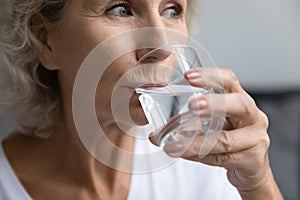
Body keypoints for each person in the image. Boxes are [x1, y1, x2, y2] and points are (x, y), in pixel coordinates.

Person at [0, 0, 283, 199]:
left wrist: (258, 185)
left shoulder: (203, 164)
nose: (161, 46)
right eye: (120, 9)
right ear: (44, 39)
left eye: (171, 10)